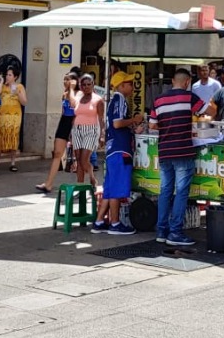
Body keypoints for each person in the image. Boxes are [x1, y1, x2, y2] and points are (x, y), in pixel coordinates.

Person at [151, 68, 205, 247]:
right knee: (181, 192)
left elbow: (152, 126)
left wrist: (167, 127)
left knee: (165, 191)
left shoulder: (158, 100)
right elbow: (209, 109)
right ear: (187, 82)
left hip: (164, 151)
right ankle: (175, 232)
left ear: (172, 81)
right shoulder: (190, 97)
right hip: (182, 151)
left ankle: (161, 230)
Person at [93, 72, 142, 235]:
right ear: (121, 85)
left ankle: (99, 221)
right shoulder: (119, 99)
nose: (132, 86)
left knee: (109, 187)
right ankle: (115, 223)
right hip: (120, 149)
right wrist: (134, 120)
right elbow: (118, 123)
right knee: (116, 188)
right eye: (129, 83)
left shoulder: (114, 100)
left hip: (112, 149)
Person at [37, 73, 78, 195]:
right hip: (64, 122)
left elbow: (73, 104)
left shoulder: (77, 94)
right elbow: (64, 110)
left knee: (80, 158)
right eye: (64, 79)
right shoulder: (64, 95)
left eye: (68, 80)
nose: (65, 82)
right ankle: (48, 183)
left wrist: (71, 89)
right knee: (57, 153)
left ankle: (88, 181)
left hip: (75, 122)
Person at [68, 75, 104, 190]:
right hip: (77, 130)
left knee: (84, 160)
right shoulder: (78, 96)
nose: (86, 87)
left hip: (91, 130)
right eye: (84, 85)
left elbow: (101, 119)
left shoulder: (98, 99)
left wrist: (102, 135)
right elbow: (75, 112)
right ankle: (80, 187)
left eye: (89, 84)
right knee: (78, 160)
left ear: (93, 85)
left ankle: (92, 178)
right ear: (81, 86)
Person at [0, 67, 28, 172]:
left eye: (10, 75)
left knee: (13, 137)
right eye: (7, 74)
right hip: (3, 116)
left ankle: (12, 163)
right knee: (0, 137)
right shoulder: (3, 86)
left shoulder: (20, 87)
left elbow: (24, 102)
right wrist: (1, 81)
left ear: (15, 77)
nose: (7, 76)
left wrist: (18, 93)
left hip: (15, 116)